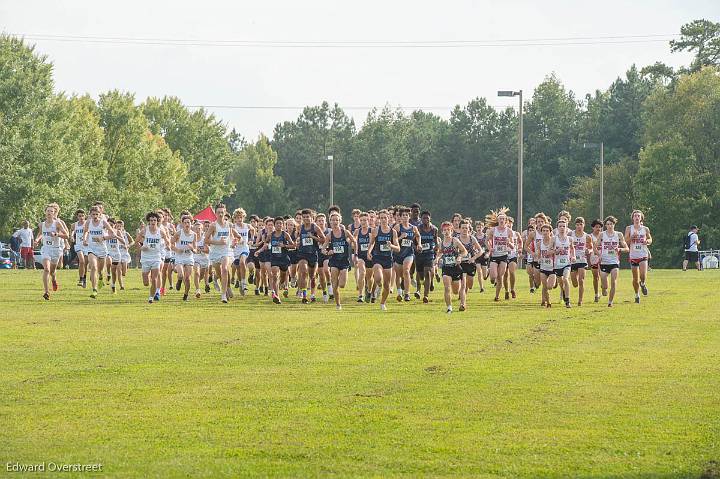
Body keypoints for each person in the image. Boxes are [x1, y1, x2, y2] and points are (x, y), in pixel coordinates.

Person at [204, 203, 239, 303]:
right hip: (215, 252)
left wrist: (235, 241)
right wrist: (218, 242)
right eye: (218, 212)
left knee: (224, 269)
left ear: (225, 212)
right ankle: (227, 287)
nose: (220, 214)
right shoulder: (213, 226)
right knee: (220, 273)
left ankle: (223, 295)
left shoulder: (229, 225)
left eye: (222, 212)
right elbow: (206, 240)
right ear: (215, 213)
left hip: (226, 251)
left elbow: (235, 236)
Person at [34, 203, 70, 300]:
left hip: (56, 249)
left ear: (54, 213)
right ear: (45, 212)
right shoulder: (41, 224)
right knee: (46, 269)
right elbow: (40, 234)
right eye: (48, 211)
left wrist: (57, 234)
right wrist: (37, 240)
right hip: (46, 248)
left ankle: (54, 279)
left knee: (53, 271)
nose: (49, 212)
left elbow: (67, 235)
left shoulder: (57, 223)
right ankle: (46, 292)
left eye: (51, 211)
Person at [367, 209, 400, 311]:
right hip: (377, 257)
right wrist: (369, 252)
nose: (383, 220)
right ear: (379, 219)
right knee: (377, 277)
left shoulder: (393, 232)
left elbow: (398, 248)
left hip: (388, 259)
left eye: (385, 218)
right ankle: (378, 285)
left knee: (387, 285)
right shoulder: (375, 230)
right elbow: (372, 243)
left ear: (388, 218)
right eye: (381, 218)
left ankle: (382, 303)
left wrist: (392, 246)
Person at [323, 212, 357, 310]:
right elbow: (323, 249)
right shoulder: (329, 235)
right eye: (333, 220)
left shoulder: (345, 232)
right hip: (334, 261)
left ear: (340, 221)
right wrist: (327, 252)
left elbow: (354, 241)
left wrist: (354, 250)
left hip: (344, 261)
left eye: (337, 220)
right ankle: (338, 304)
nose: (335, 222)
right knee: (335, 283)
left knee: (341, 285)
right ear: (330, 222)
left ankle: (337, 283)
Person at [82, 205, 118, 299]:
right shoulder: (88, 222)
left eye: (96, 214)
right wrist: (85, 240)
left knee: (100, 270)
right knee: (93, 267)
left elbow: (113, 234)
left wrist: (103, 238)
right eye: (93, 214)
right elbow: (85, 232)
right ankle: (94, 290)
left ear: (100, 214)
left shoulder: (103, 222)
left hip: (102, 249)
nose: (95, 216)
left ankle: (101, 276)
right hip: (91, 248)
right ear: (90, 214)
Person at [136, 211, 171, 303]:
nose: (153, 222)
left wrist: (168, 245)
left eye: (154, 220)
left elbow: (168, 241)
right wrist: (142, 247)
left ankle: (151, 297)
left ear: (157, 221)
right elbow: (137, 241)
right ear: (148, 221)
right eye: (151, 220)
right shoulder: (144, 231)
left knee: (154, 278)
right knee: (146, 282)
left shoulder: (161, 231)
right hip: (146, 258)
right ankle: (147, 283)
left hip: (156, 257)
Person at [596, 216, 629, 307]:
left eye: (611, 224)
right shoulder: (602, 234)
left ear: (614, 224)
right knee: (604, 283)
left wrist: (619, 249)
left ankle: (610, 302)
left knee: (613, 282)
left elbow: (627, 248)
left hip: (614, 262)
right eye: (608, 224)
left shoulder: (619, 234)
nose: (609, 226)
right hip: (604, 262)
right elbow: (595, 247)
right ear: (605, 225)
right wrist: (599, 255)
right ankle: (603, 288)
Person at [436, 221, 468, 313]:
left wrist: (459, 257)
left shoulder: (455, 241)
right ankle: (449, 307)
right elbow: (440, 252)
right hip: (446, 268)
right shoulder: (441, 243)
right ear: (442, 232)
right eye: (444, 230)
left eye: (448, 230)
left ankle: (462, 303)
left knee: (455, 291)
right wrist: (437, 258)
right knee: (447, 287)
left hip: (456, 268)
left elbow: (464, 251)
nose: (446, 232)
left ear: (451, 231)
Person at [486, 209, 515, 302]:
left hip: (503, 256)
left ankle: (497, 296)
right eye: (500, 219)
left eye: (503, 219)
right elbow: (486, 241)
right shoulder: (493, 230)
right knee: (493, 277)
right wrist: (490, 248)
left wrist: (509, 243)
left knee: (500, 277)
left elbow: (513, 246)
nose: (502, 220)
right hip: (494, 256)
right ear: (498, 220)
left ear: (506, 221)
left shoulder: (509, 231)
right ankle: (490, 274)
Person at [625, 210, 653, 303]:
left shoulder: (645, 229)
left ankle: (643, 284)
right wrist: (632, 237)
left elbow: (650, 239)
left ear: (641, 218)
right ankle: (637, 295)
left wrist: (647, 241)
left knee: (642, 275)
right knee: (635, 278)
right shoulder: (629, 228)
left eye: (638, 216)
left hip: (643, 254)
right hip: (633, 255)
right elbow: (626, 241)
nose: (637, 217)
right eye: (635, 216)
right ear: (632, 218)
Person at [393, 208, 420, 302]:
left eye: (406, 215)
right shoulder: (397, 227)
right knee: (399, 275)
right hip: (398, 254)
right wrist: (401, 237)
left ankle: (407, 294)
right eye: (403, 215)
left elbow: (418, 235)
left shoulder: (413, 228)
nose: (405, 217)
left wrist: (419, 244)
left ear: (409, 217)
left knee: (406, 270)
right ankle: (400, 291)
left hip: (409, 253)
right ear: (400, 217)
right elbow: (393, 241)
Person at [415, 211, 439, 303]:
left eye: (427, 218)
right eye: (424, 218)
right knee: (420, 275)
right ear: (421, 219)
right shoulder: (418, 229)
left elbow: (436, 241)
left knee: (428, 273)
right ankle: (418, 289)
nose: (426, 220)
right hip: (419, 255)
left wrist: (436, 247)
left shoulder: (434, 229)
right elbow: (413, 242)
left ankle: (426, 296)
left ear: (430, 219)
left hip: (429, 254)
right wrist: (417, 247)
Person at [173, 215, 198, 301]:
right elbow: (170, 244)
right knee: (181, 275)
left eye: (188, 222)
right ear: (182, 224)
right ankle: (179, 281)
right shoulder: (179, 233)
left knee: (187, 278)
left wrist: (192, 248)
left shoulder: (194, 234)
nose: (187, 224)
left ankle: (186, 294)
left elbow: (195, 250)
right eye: (185, 223)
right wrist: (177, 249)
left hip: (189, 257)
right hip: (179, 257)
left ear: (191, 224)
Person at [569, 217, 592, 306]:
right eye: (577, 224)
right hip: (572, 260)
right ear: (575, 225)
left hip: (582, 260)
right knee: (575, 282)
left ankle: (580, 300)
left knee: (581, 280)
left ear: (584, 225)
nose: (579, 226)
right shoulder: (571, 234)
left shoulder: (587, 236)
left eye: (581, 224)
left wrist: (588, 251)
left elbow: (590, 247)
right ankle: (575, 283)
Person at [552, 219, 575, 308]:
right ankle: (564, 293)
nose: (562, 228)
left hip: (567, 263)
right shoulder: (554, 239)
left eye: (564, 226)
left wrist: (573, 256)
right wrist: (556, 250)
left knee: (566, 279)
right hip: (557, 264)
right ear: (557, 228)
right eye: (560, 226)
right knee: (561, 284)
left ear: (566, 228)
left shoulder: (570, 239)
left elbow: (572, 249)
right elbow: (549, 251)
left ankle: (568, 301)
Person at [353, 212, 374, 303]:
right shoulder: (357, 231)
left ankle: (369, 291)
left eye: (365, 220)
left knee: (369, 277)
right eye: (361, 220)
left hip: (370, 256)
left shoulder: (372, 230)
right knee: (362, 273)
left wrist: (369, 249)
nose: (363, 222)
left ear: (368, 220)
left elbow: (374, 243)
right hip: (361, 256)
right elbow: (354, 243)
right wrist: (355, 254)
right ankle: (360, 295)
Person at [535, 224, 555, 308]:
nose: (545, 232)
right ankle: (548, 302)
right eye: (543, 231)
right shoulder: (539, 243)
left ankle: (554, 281)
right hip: (543, 267)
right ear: (541, 232)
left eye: (547, 231)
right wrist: (538, 258)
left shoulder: (554, 242)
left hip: (553, 267)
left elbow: (557, 252)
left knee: (549, 286)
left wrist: (553, 252)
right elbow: (538, 255)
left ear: (550, 232)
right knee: (544, 286)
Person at [70, 210, 88, 287]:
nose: (81, 217)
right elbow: (71, 231)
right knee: (82, 261)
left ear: (85, 216)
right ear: (77, 217)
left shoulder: (88, 224)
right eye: (79, 216)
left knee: (86, 264)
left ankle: (84, 278)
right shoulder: (74, 225)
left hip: (87, 245)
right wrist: (71, 236)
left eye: (82, 216)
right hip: (78, 245)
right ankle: (80, 279)